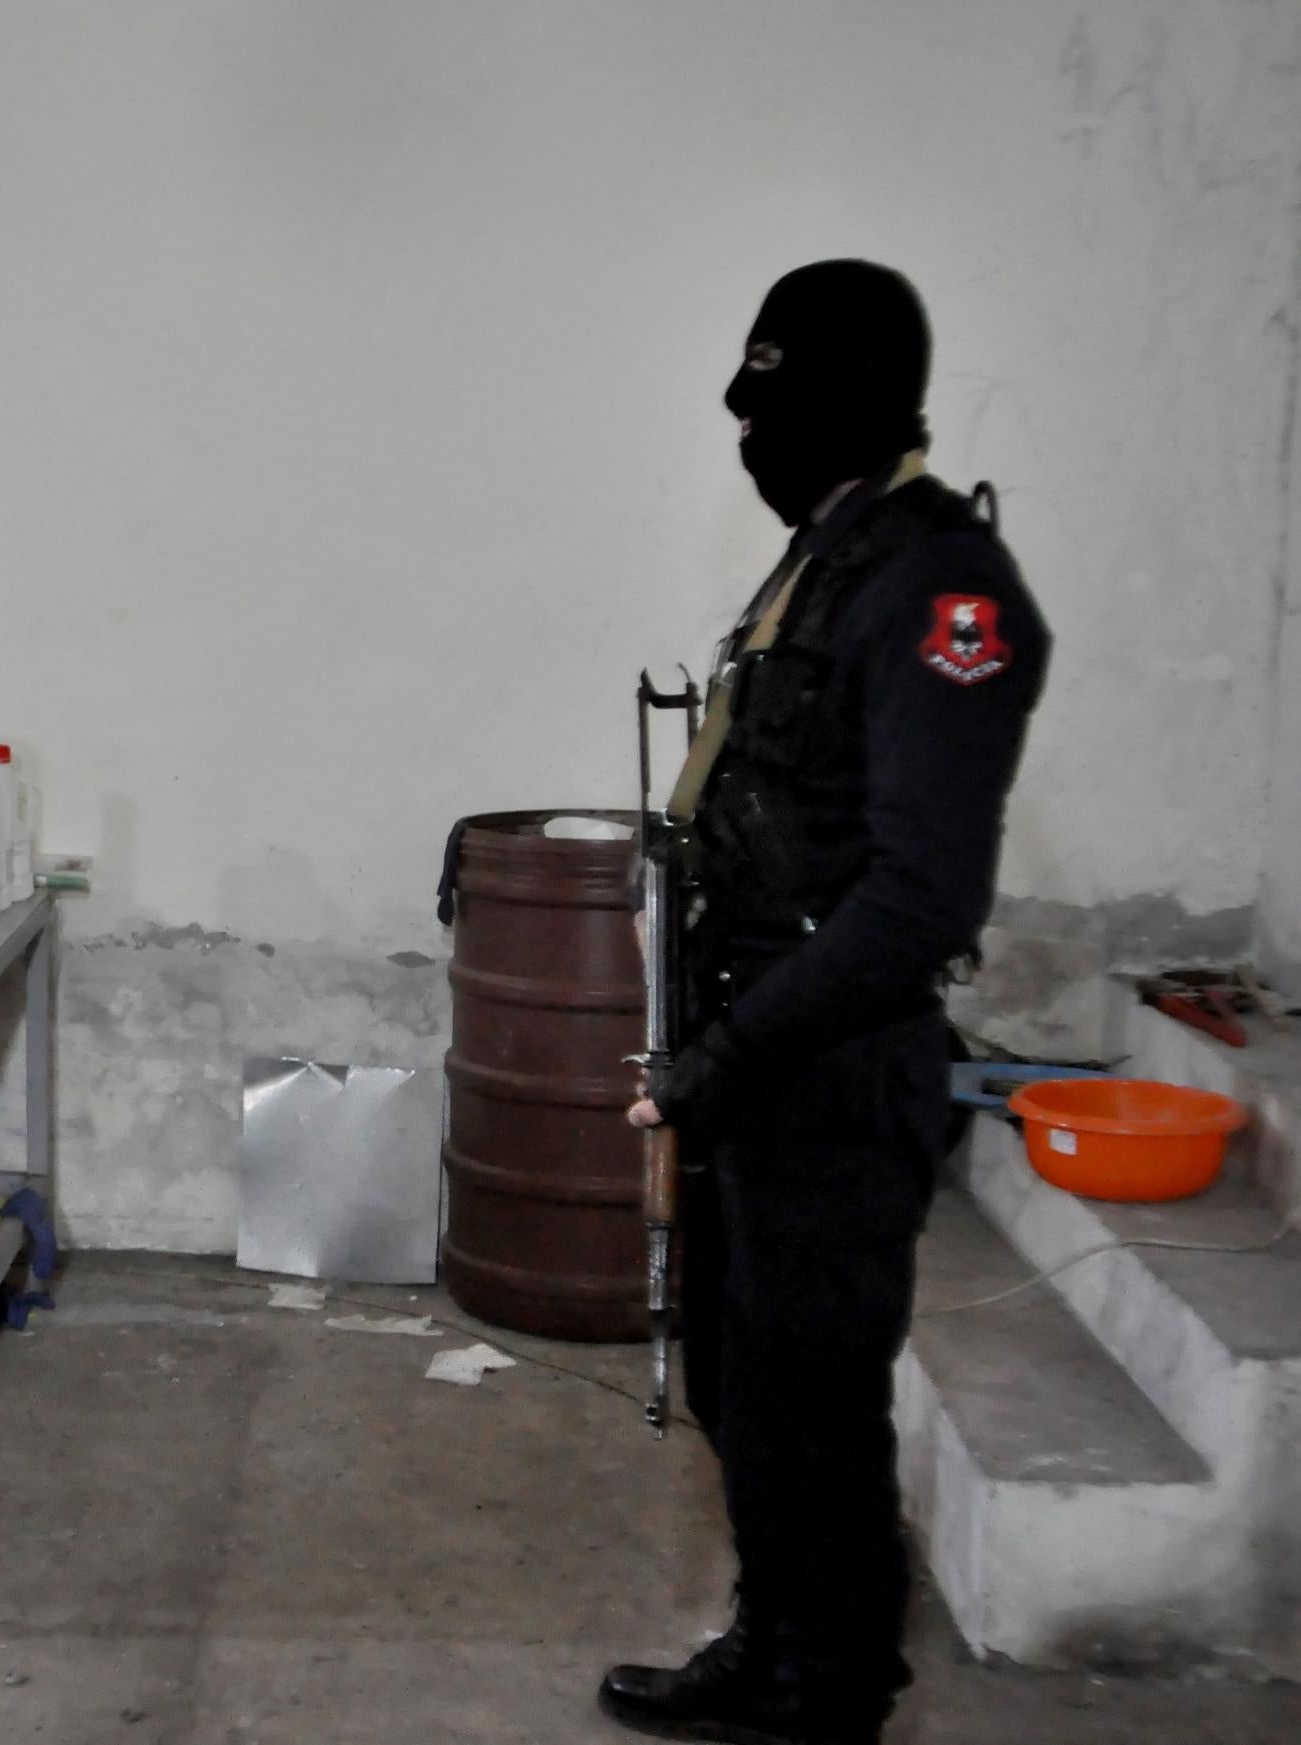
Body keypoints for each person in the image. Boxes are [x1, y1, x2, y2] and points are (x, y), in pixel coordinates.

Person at [599, 261, 1051, 1745]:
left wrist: (727, 1052)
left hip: (835, 1067)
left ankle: (835, 1690)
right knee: (742, 1381)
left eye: (773, 396)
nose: (747, 430)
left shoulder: (943, 587)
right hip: (755, 1061)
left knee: (815, 1407)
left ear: (849, 398)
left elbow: (919, 900)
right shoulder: (829, 556)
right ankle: (778, 1639)